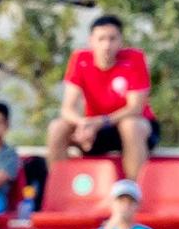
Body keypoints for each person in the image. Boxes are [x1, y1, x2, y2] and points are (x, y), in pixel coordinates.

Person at [47, 14, 157, 177]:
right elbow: (67, 108)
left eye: (112, 39)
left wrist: (100, 122)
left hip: (134, 127)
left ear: (121, 41)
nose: (107, 45)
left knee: (130, 126)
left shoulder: (134, 59)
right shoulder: (80, 59)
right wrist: (83, 124)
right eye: (101, 39)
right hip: (93, 127)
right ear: (91, 41)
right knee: (57, 128)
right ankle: (58, 188)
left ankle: (134, 192)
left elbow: (135, 108)